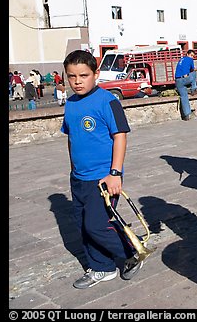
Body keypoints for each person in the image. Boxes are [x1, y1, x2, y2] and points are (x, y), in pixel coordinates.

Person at [60, 50, 144, 289]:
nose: (77, 81)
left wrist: (115, 173)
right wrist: (73, 169)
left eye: (83, 75)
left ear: (96, 74)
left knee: (96, 225)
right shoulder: (71, 104)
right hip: (79, 178)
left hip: (103, 178)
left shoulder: (108, 101)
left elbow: (120, 136)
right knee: (83, 226)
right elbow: (72, 138)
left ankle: (134, 249)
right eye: (71, 76)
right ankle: (102, 268)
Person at [175, 49, 197, 121]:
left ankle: (186, 115)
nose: (192, 57)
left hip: (177, 80)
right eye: (191, 55)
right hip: (184, 79)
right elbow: (192, 69)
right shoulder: (190, 60)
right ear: (188, 54)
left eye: (193, 56)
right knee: (194, 73)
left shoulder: (181, 60)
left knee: (183, 97)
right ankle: (194, 89)